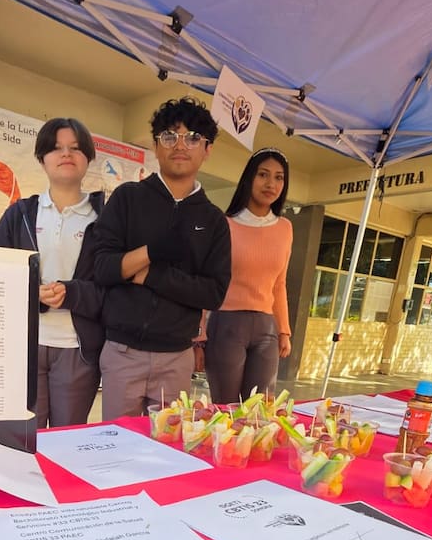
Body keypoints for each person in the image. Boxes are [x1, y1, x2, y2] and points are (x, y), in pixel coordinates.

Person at [86, 96, 231, 419]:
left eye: (193, 138)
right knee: (115, 446)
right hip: (122, 352)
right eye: (170, 136)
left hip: (176, 357)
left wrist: (148, 275)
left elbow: (213, 293)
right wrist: (151, 252)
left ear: (207, 150)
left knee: (163, 452)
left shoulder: (213, 220)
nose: (181, 145)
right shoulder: (128, 198)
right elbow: (103, 267)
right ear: (155, 145)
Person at [0, 118, 104, 428]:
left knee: (68, 438)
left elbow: (111, 288)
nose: (66, 154)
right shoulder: (21, 214)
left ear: (88, 158)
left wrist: (72, 292)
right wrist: (31, 291)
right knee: (27, 436)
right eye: (56, 148)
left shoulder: (105, 219)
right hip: (26, 346)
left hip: (77, 350)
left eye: (75, 148)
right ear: (42, 158)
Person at [203, 148, 293, 404]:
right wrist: (199, 335)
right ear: (249, 178)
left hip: (267, 329)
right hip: (227, 325)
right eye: (263, 175)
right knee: (226, 409)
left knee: (259, 411)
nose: (271, 184)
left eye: (279, 178)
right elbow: (206, 281)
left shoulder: (285, 228)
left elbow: (280, 284)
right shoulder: (224, 224)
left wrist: (284, 331)